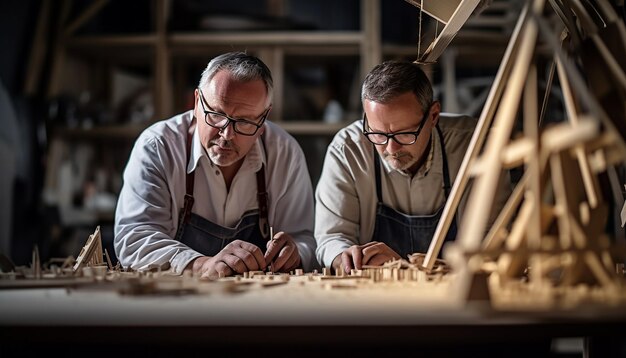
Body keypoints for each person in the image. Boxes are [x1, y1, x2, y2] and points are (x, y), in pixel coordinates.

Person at [114, 52, 317, 278]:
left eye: (244, 121)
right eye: (216, 114)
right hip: (176, 300)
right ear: (196, 102)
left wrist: (296, 252)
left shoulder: (284, 153)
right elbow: (135, 239)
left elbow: (305, 238)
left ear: (263, 120)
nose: (226, 134)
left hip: (257, 304)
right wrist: (202, 265)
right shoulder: (158, 147)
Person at [315, 60, 510, 273]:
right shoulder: (348, 150)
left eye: (405, 133)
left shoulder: (475, 146)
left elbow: (489, 247)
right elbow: (331, 237)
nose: (391, 148)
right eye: (378, 134)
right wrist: (345, 256)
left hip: (452, 292)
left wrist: (409, 267)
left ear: (433, 115)